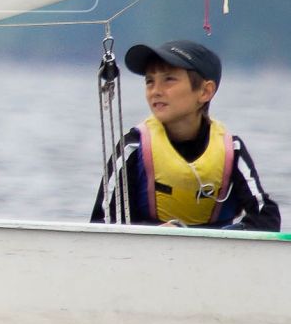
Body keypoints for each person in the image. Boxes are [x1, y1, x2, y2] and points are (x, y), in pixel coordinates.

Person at [89, 40, 280, 231]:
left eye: (169, 79)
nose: (155, 91)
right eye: (149, 81)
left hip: (216, 254)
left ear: (205, 91)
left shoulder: (232, 150)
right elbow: (102, 223)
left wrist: (224, 235)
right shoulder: (133, 147)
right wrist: (156, 231)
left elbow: (266, 217)